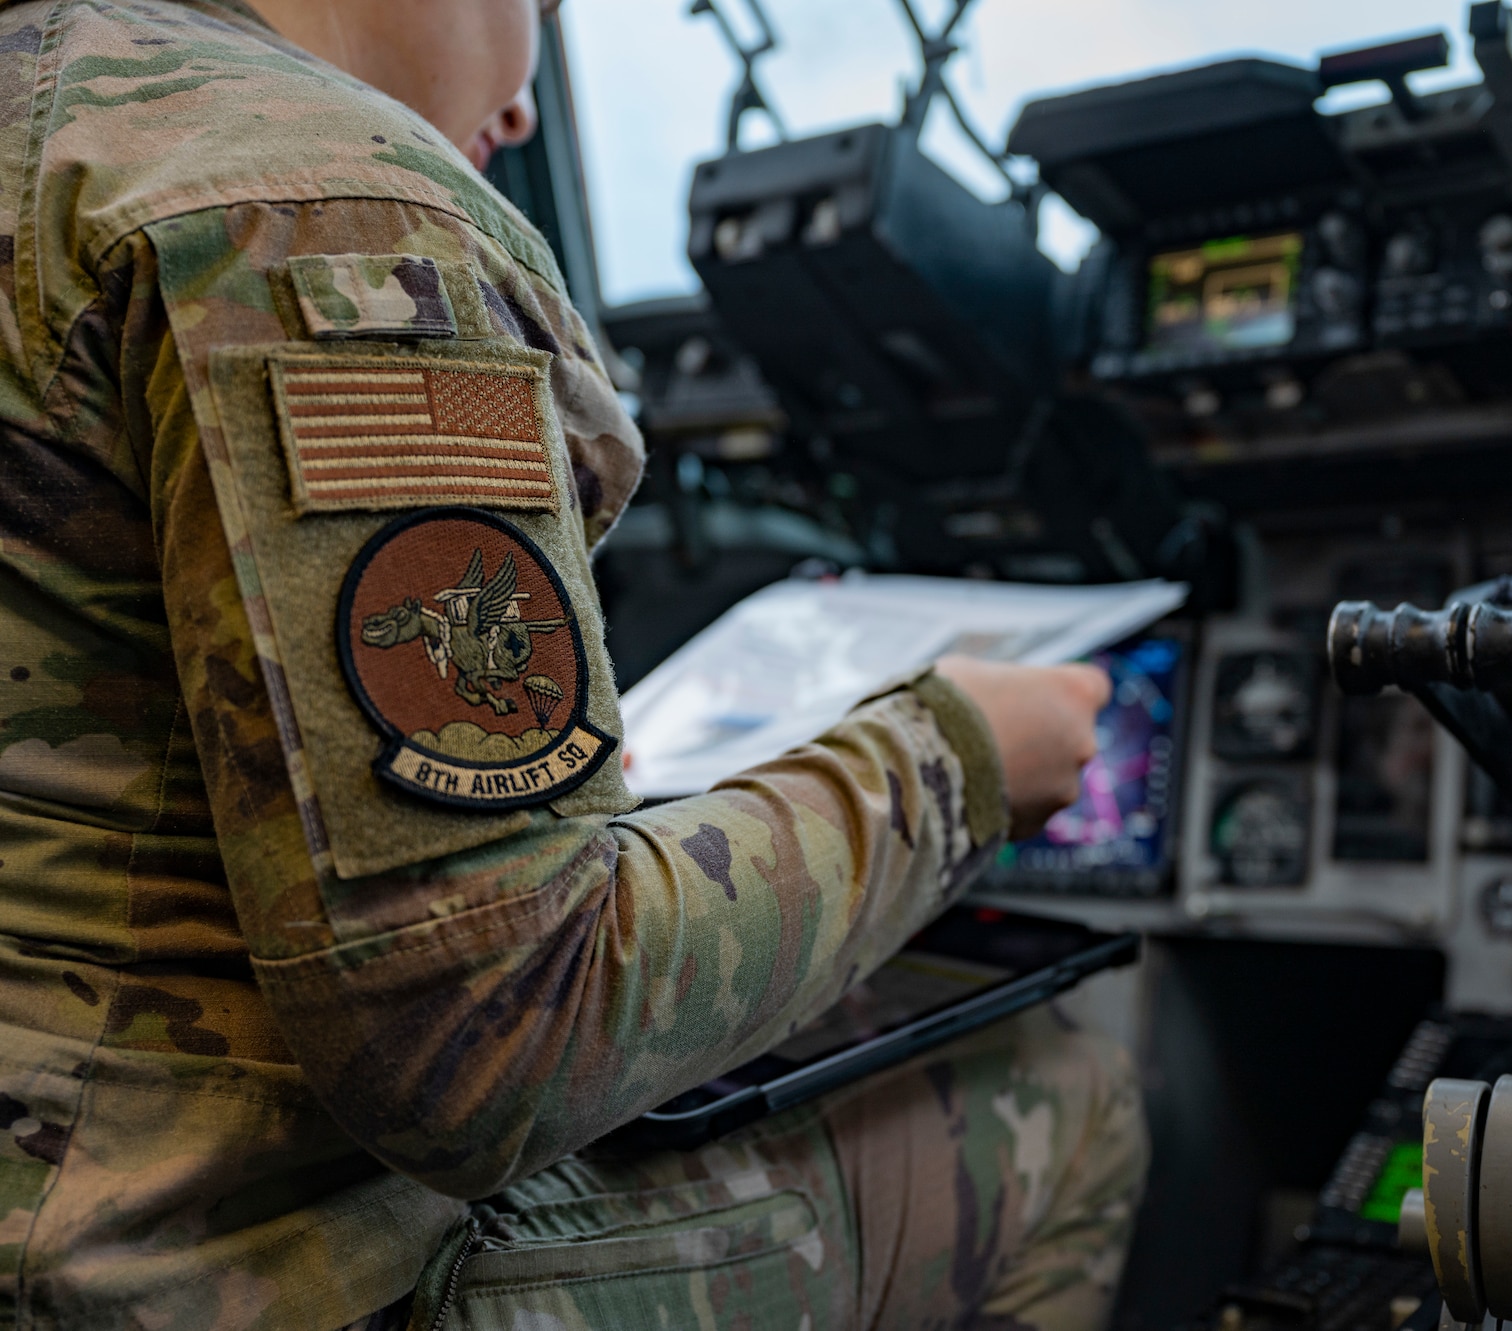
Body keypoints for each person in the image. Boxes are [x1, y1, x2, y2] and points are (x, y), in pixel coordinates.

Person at [0, 0, 1148, 1326]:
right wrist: (959, 767)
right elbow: (501, 1035)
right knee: (1068, 1085)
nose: (530, 106)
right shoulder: (321, 203)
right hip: (171, 1284)